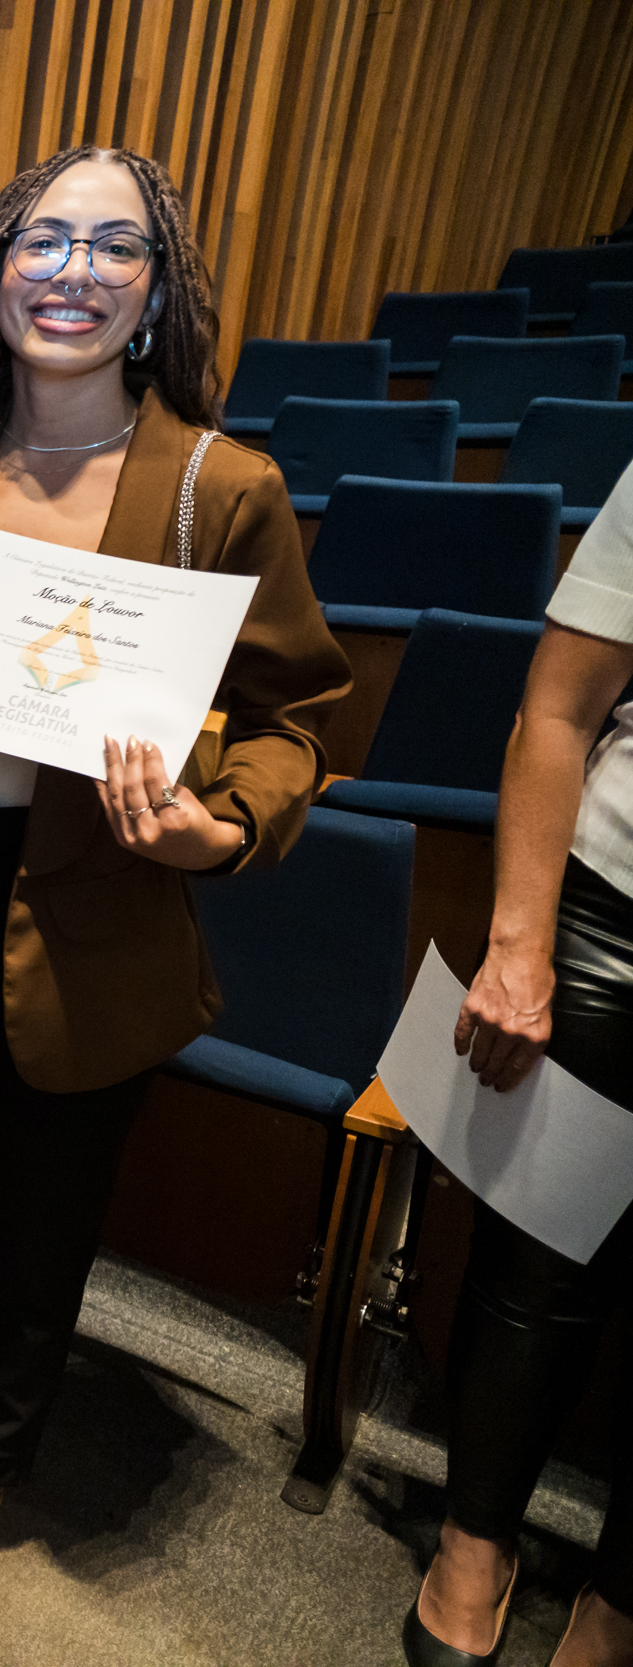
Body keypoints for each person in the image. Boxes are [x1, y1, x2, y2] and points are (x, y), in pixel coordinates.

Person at [0, 147, 348, 1623]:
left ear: (153, 291)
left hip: (98, 899)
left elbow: (300, 718)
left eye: (111, 247)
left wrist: (224, 828)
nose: (71, 270)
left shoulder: (221, 486)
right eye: (42, 242)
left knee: (44, 1217)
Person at [405, 456, 633, 1667]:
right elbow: (557, 709)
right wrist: (517, 945)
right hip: (616, 908)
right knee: (538, 1260)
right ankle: (473, 1543)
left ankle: (619, 1600)